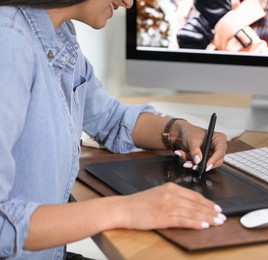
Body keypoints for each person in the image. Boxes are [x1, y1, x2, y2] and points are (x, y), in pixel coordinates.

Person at [0, 0, 228, 259]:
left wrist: (179, 132)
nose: (129, 2)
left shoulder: (58, 35)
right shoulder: (9, 42)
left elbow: (109, 117)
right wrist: (127, 210)